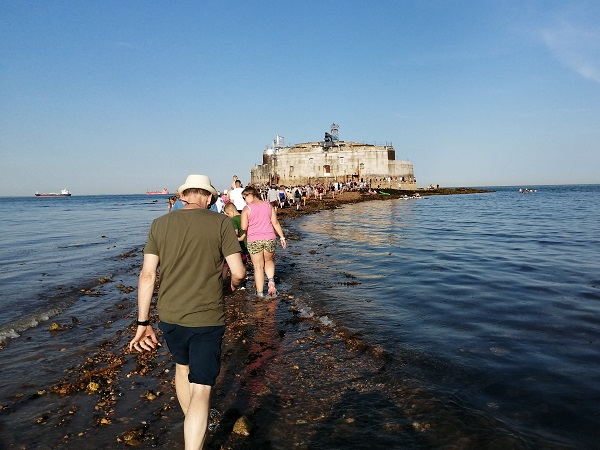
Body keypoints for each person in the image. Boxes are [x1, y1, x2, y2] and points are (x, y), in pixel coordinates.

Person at [129, 174, 245, 449]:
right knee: (202, 388)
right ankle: (195, 435)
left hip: (170, 316)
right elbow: (239, 273)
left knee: (182, 368)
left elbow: (147, 275)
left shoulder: (159, 224)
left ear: (183, 196)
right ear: (207, 197)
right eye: (212, 198)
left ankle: (192, 420)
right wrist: (229, 288)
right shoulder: (220, 222)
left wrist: (142, 322)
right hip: (207, 315)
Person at [240, 186, 286, 297]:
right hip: (269, 237)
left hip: (254, 239)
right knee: (269, 260)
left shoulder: (247, 209)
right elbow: (275, 223)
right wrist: (282, 237)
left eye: (244, 198)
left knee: (258, 267)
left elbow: (243, 226)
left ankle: (260, 293)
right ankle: (271, 281)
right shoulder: (268, 205)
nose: (244, 200)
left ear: (250, 195)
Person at [222, 202, 248, 278]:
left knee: (226, 264)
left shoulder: (233, 220)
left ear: (232, 212)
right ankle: (244, 278)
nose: (228, 216)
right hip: (246, 245)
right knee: (243, 263)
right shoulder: (243, 217)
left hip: (238, 246)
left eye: (228, 214)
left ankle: (224, 280)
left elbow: (235, 233)